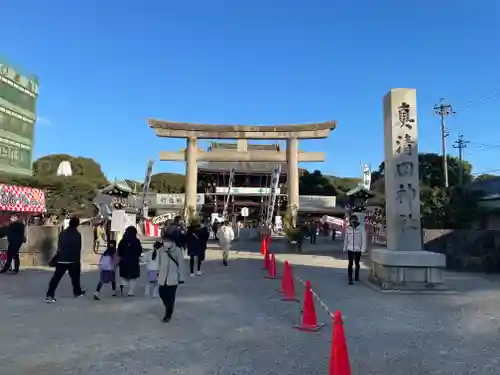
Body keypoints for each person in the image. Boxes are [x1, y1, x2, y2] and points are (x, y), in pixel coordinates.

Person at [45, 217, 86, 303]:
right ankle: (77, 292)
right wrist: (78, 261)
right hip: (72, 260)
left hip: (61, 259)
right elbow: (77, 249)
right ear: (77, 224)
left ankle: (50, 294)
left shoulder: (62, 233)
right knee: (75, 278)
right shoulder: (77, 235)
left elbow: (59, 246)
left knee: (56, 278)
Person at [157, 233, 185, 323]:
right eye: (165, 241)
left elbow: (181, 264)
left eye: (168, 241)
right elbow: (159, 262)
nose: (166, 243)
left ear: (172, 242)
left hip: (173, 278)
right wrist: (157, 272)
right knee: (162, 294)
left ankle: (168, 314)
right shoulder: (161, 250)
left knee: (171, 297)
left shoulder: (178, 251)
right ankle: (168, 307)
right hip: (162, 277)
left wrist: (181, 278)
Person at [118, 226, 143, 296]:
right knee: (133, 277)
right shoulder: (136, 241)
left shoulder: (123, 241)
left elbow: (119, 250)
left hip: (124, 261)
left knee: (124, 275)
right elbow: (139, 251)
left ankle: (123, 284)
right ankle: (131, 291)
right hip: (133, 261)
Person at [343, 214, 366, 285]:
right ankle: (350, 279)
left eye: (354, 221)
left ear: (356, 221)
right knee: (350, 264)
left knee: (357, 263)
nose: (353, 223)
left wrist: (363, 249)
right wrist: (344, 247)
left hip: (357, 249)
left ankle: (356, 276)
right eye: (351, 221)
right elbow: (346, 239)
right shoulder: (348, 229)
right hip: (350, 248)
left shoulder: (361, 229)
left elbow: (364, 239)